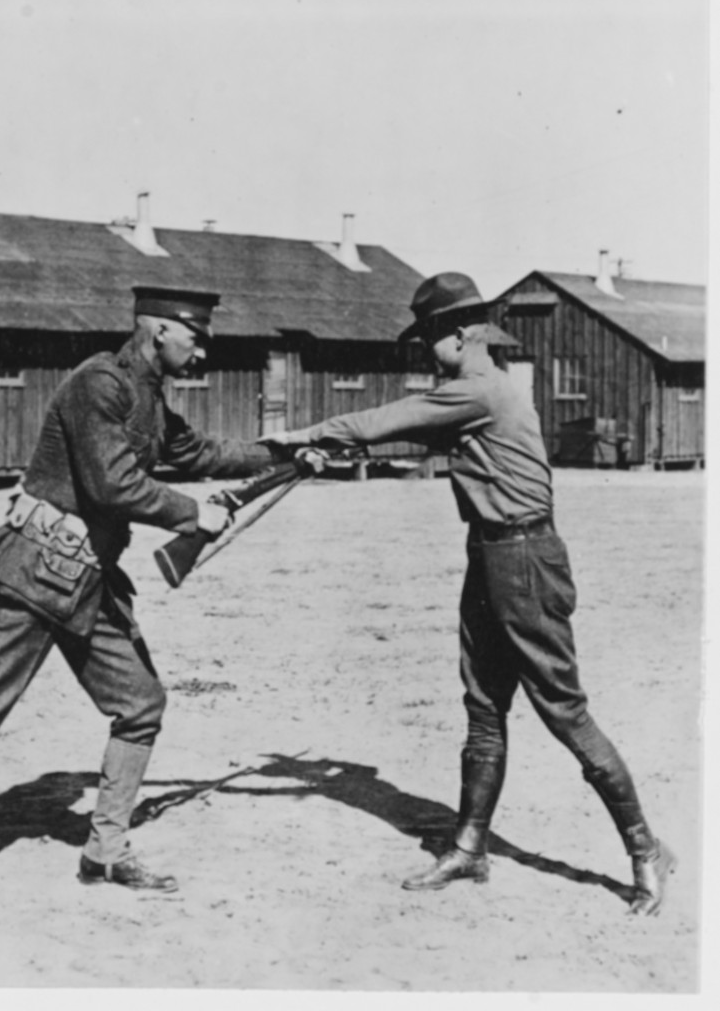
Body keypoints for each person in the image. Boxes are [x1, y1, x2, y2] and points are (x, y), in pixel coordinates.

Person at [262, 272, 675, 916]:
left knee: (563, 711)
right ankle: (470, 846)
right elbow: (411, 431)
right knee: (483, 707)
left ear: (459, 333)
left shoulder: (480, 389)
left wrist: (305, 435)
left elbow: (387, 420)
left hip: (525, 558)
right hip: (488, 554)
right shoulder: (471, 396)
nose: (427, 352)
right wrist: (331, 448)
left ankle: (647, 849)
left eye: (430, 338)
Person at [0, 285, 281, 915]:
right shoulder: (101, 384)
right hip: (35, 574)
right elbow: (113, 485)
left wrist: (290, 450)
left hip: (90, 581)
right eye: (195, 337)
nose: (202, 351)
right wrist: (189, 514)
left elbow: (197, 452)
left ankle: (104, 854)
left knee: (141, 704)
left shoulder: (146, 394)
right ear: (158, 330)